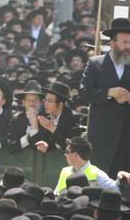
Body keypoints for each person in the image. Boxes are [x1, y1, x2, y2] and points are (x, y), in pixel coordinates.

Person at [80, 17, 130, 177]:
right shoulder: (95, 64)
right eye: (124, 42)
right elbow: (84, 92)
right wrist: (109, 92)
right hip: (102, 137)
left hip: (127, 139)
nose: (128, 47)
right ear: (112, 43)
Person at [53, 136, 130, 194]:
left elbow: (115, 189)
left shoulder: (97, 174)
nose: (65, 155)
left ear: (75, 155)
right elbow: (56, 194)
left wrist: (122, 178)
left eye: (67, 152)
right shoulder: (64, 171)